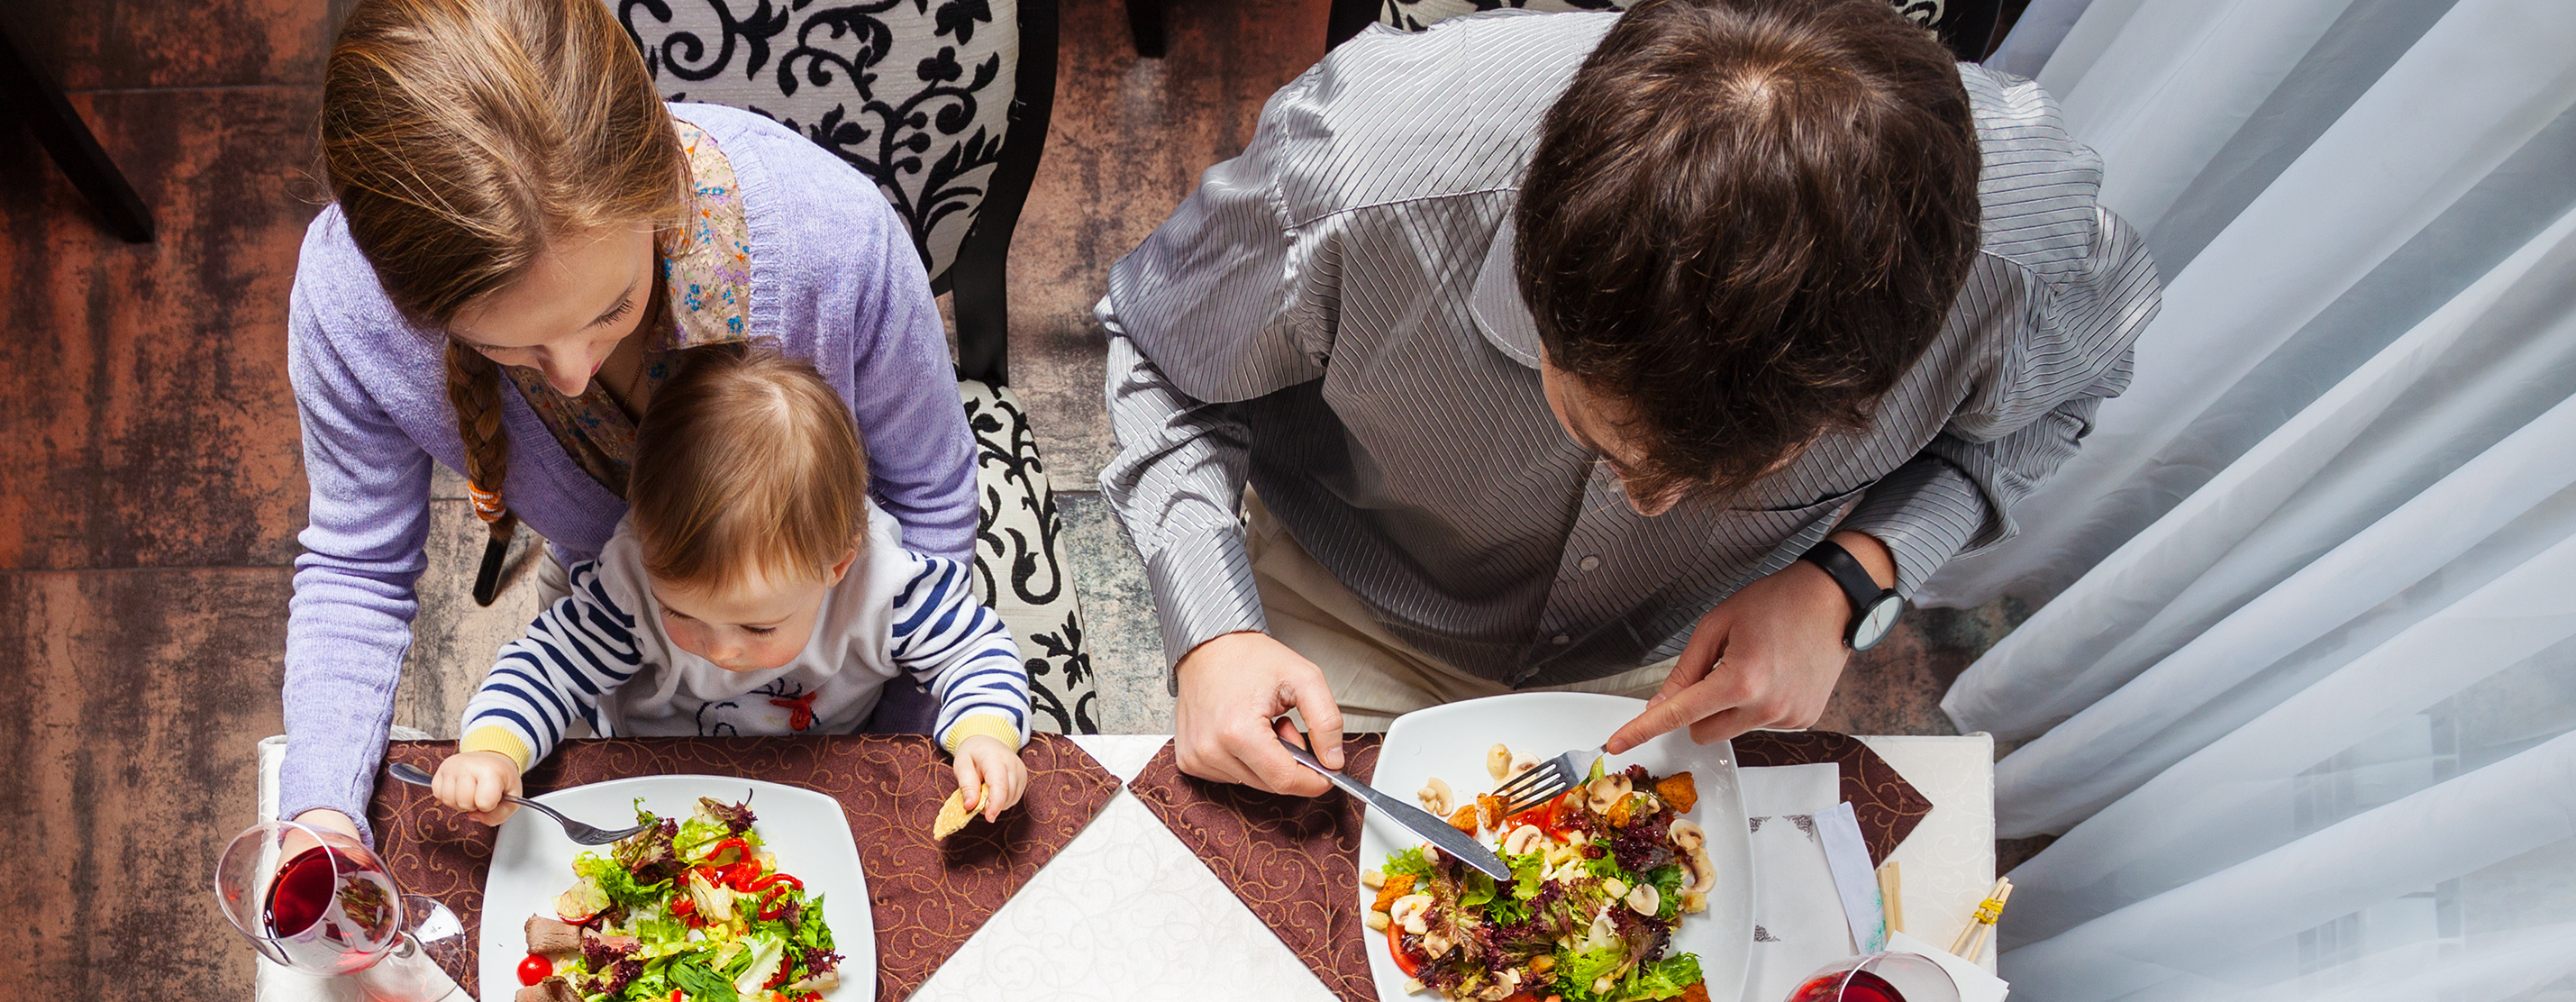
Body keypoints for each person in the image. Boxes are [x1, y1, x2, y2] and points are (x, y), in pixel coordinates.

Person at [1101, 0, 2160, 796]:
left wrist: (1848, 577)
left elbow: (2045, 415)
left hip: (1686, 664)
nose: (1652, 505)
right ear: (1536, 272)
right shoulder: (1359, 175)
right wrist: (1213, 633)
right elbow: (1159, 358)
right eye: (1599, 432)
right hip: (1346, 608)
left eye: (1736, 478)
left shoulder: (2028, 256)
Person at [282, 0, 983, 842]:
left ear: (660, 187)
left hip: (843, 675)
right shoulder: (349, 309)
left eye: (613, 307)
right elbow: (357, 575)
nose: (573, 377)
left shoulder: (834, 237)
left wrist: (891, 768)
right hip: (619, 642)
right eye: (510, 348)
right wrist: (318, 815)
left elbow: (930, 505)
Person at [432, 345, 1033, 828]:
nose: (720, 650)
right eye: (681, 613)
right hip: (654, 785)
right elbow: (547, 666)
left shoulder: (885, 589)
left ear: (837, 567)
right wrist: (493, 747)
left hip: (817, 780)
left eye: (758, 626)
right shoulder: (634, 583)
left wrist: (986, 731)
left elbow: (976, 651)